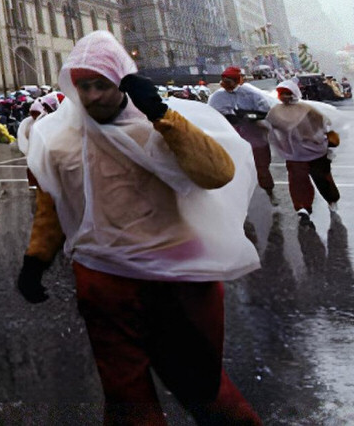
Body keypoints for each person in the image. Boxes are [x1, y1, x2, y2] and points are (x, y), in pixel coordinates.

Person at [18, 32, 261, 426]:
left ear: (122, 84)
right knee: (125, 395)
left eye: (102, 84)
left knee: (205, 389)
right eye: (84, 86)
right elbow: (54, 206)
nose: (93, 96)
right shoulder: (61, 141)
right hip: (104, 282)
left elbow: (216, 173)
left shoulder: (158, 130)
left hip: (177, 279)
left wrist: (163, 116)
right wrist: (36, 259)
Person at [267, 79, 342, 219]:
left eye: (287, 93)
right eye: (281, 94)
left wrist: (323, 138)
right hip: (294, 155)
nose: (284, 97)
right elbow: (270, 128)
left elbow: (325, 125)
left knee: (323, 179)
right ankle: (302, 207)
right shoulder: (275, 111)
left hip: (315, 152)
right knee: (297, 181)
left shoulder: (308, 109)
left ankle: (332, 200)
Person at [207, 66, 277, 201]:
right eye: (224, 81)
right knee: (236, 170)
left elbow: (265, 112)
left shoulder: (252, 94)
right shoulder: (217, 97)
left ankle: (269, 192)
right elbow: (212, 115)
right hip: (232, 140)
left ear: (237, 80)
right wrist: (228, 118)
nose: (226, 84)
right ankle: (241, 199)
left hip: (256, 139)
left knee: (261, 168)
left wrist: (248, 116)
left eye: (230, 81)